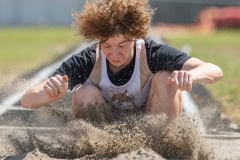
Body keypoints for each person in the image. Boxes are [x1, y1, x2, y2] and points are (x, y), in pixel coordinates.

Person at [21, 0, 223, 119]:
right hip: (107, 129)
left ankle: (165, 147)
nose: (115, 54)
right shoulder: (88, 60)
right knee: (84, 93)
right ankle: (97, 148)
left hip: (150, 124)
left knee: (165, 79)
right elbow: (27, 100)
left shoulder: (152, 53)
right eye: (107, 46)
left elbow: (214, 70)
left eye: (122, 46)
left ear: (135, 37)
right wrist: (48, 93)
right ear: (99, 42)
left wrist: (190, 76)